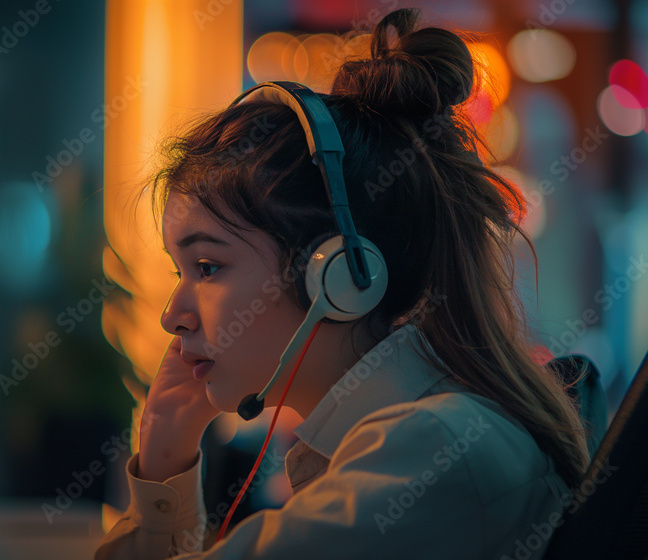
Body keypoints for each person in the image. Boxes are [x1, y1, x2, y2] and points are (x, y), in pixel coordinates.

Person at [94, 8, 591, 560]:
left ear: (338, 275)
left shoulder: (436, 450)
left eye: (208, 268)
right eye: (178, 271)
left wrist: (163, 485)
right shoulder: (407, 438)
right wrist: (166, 456)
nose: (173, 315)